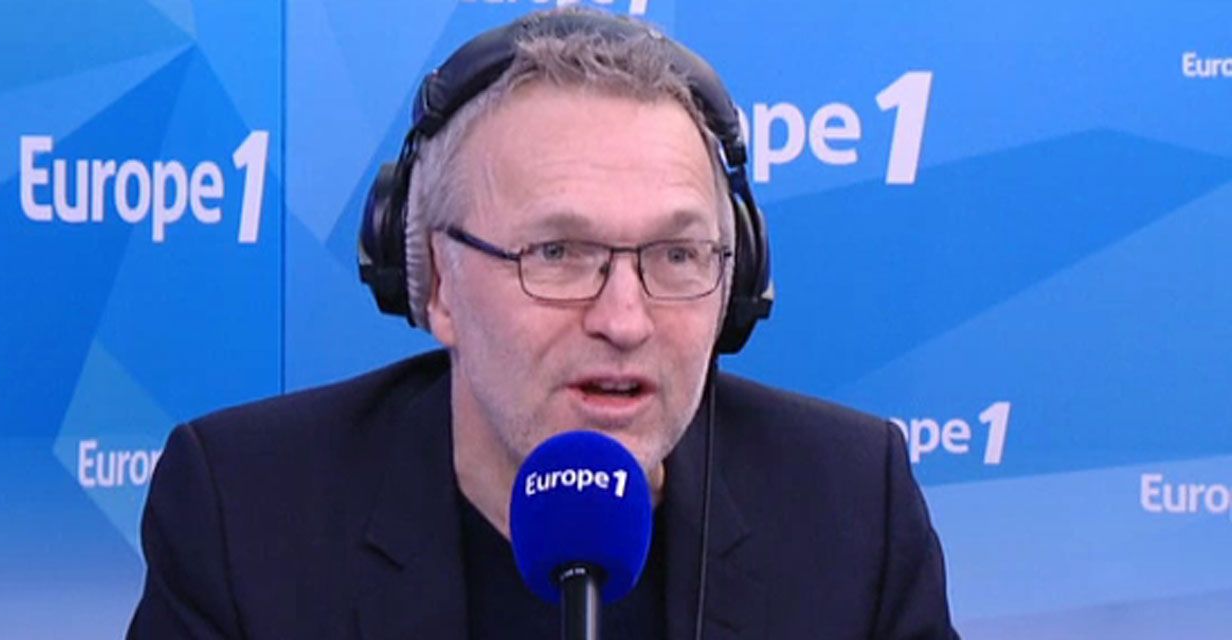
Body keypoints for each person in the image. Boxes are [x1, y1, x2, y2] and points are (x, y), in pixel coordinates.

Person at [129, 7, 958, 639]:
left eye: (676, 255)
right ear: (435, 282)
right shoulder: (245, 515)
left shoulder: (854, 509)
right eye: (558, 253)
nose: (625, 319)